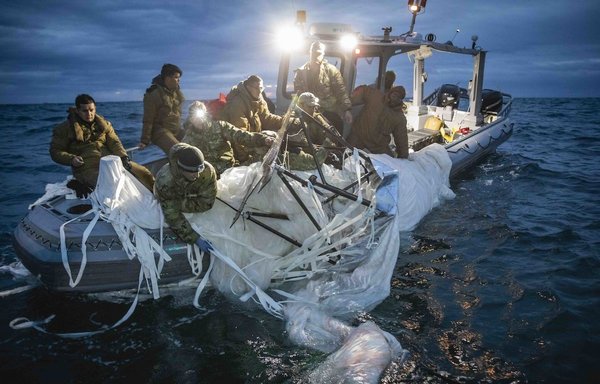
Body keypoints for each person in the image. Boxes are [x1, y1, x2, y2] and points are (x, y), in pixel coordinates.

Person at [50, 94, 155, 197]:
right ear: (77, 111)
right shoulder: (64, 129)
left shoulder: (104, 125)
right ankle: (79, 183)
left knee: (144, 173)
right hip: (85, 167)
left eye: (91, 110)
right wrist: (71, 159)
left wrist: (124, 157)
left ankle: (159, 197)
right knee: (109, 185)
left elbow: (115, 142)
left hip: (110, 161)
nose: (89, 114)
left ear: (95, 109)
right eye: (85, 111)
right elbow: (55, 151)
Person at [182, 101, 275, 176]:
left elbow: (241, 135)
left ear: (205, 115)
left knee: (264, 155)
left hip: (229, 170)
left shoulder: (220, 126)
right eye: (193, 116)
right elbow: (181, 155)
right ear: (190, 118)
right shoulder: (188, 137)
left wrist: (263, 139)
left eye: (200, 116)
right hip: (208, 177)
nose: (198, 120)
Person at [154, 143, 217, 252]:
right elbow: (173, 215)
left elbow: (207, 203)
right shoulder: (165, 181)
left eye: (199, 170)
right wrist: (195, 238)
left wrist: (184, 201)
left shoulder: (207, 171)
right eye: (192, 171)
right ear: (181, 169)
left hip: (186, 196)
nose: (196, 175)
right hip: (169, 196)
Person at [218, 75, 285, 164]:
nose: (259, 91)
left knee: (275, 139)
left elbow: (267, 118)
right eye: (257, 88)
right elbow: (239, 136)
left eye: (261, 88)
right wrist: (246, 161)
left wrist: (285, 121)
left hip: (252, 140)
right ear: (248, 87)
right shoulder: (237, 104)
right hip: (241, 150)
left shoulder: (258, 99)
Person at [293, 41, 353, 136]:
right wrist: (295, 110)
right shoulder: (300, 73)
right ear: (310, 53)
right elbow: (297, 95)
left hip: (329, 111)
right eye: (314, 53)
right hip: (308, 112)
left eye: (319, 53)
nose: (316, 55)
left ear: (323, 54)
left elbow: (341, 91)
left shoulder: (331, 71)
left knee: (335, 132)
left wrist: (347, 110)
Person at [347, 85, 409, 159]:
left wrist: (403, 156)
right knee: (344, 154)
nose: (395, 98)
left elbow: (402, 139)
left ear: (400, 100)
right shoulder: (376, 96)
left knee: (390, 165)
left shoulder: (399, 118)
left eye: (398, 97)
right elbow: (363, 90)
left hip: (377, 146)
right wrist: (347, 104)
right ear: (390, 93)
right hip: (358, 136)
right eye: (394, 94)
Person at [138, 63, 185, 154]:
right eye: (176, 77)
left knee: (196, 145)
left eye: (179, 78)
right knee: (180, 151)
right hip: (160, 131)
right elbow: (148, 119)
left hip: (176, 129)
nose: (178, 80)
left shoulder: (176, 92)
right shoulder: (153, 94)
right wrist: (144, 141)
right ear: (167, 78)